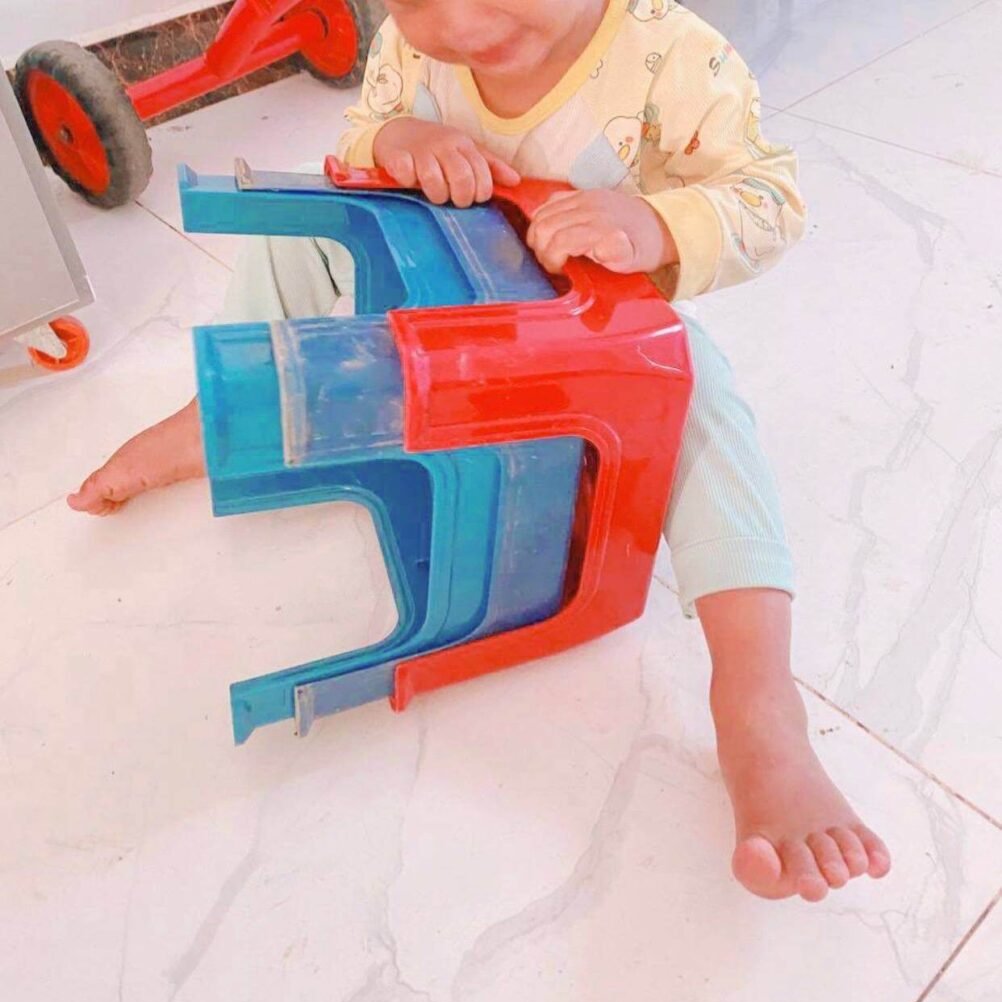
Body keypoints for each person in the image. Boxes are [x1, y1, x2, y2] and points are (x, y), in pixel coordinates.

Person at [68, 0, 891, 901]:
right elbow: (363, 131)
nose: (457, 17)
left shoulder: (673, 59)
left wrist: (654, 225)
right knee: (297, 229)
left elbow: (769, 199)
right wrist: (395, 140)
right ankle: (207, 418)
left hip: (590, 348)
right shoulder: (408, 54)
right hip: (433, 310)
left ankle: (757, 696)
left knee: (705, 390)